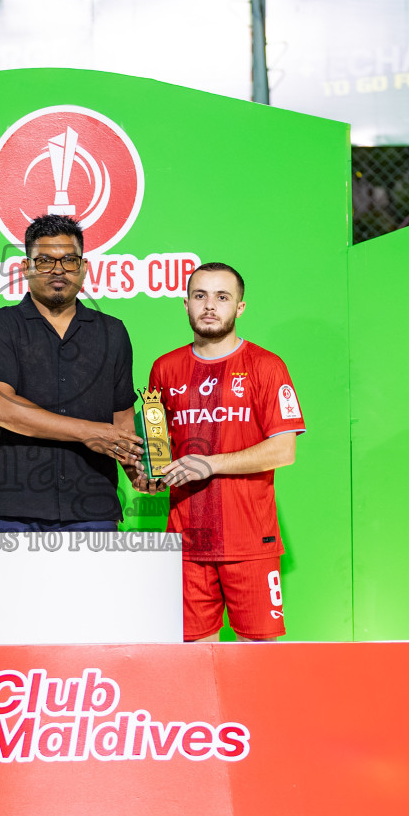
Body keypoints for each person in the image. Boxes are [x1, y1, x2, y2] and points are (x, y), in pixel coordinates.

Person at [139, 262, 304, 641]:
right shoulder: (165, 369)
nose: (209, 305)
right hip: (187, 542)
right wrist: (150, 475)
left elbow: (284, 450)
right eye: (200, 296)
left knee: (258, 660)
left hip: (250, 541)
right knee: (195, 662)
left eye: (222, 297)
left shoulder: (266, 366)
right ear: (185, 304)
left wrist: (209, 464)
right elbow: (158, 451)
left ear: (240, 308)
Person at [0, 214, 143, 531]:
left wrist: (139, 470)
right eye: (45, 260)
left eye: (69, 260)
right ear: (26, 268)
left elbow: (122, 420)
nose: (58, 270)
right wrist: (88, 432)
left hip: (94, 508)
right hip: (16, 510)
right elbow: (2, 410)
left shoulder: (113, 332)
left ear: (84, 267)